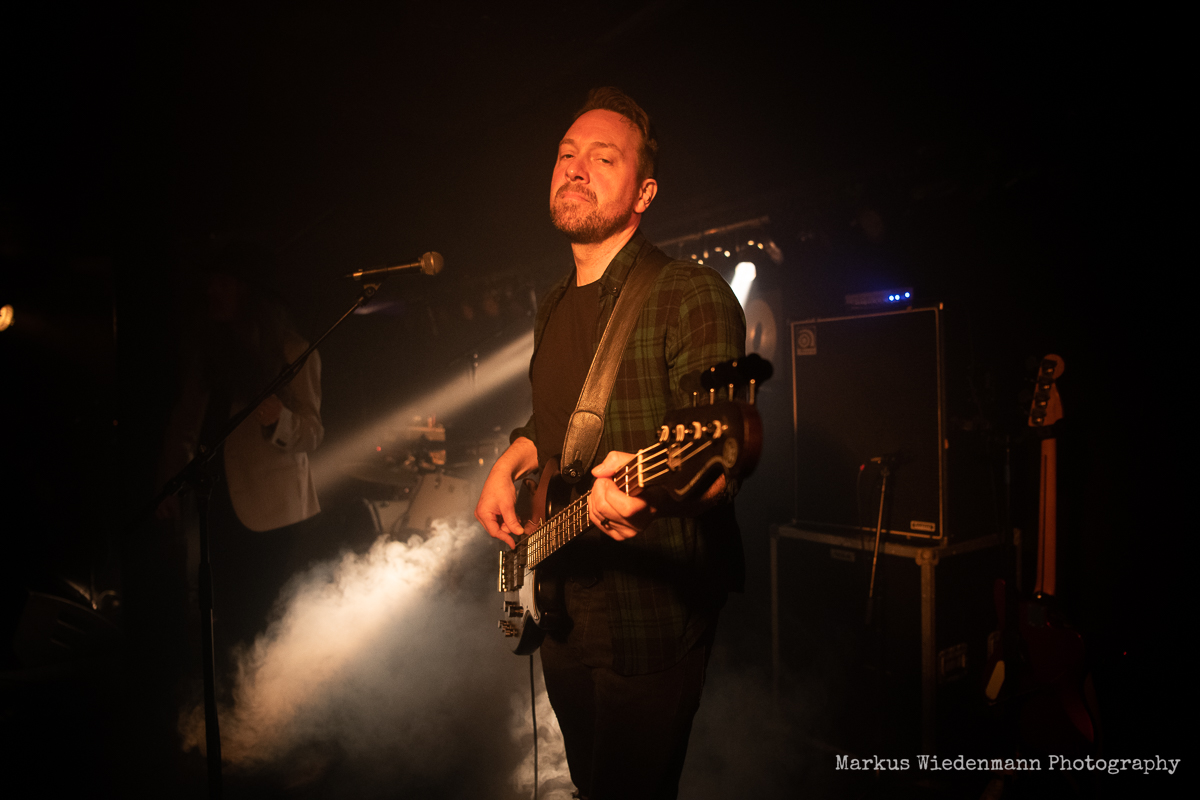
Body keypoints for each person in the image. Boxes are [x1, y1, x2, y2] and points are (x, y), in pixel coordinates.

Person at [475, 88, 746, 800]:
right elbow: (554, 423)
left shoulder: (689, 293)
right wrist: (512, 459)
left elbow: (717, 458)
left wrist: (655, 487)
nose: (576, 167)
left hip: (646, 614)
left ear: (644, 193)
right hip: (556, 593)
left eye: (603, 157)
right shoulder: (552, 304)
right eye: (567, 154)